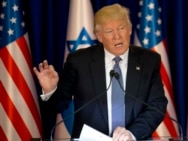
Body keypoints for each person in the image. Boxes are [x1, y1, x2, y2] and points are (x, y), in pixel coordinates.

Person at [33, 3, 168, 141]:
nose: (117, 36)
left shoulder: (149, 61)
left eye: (121, 28)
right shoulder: (79, 61)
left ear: (130, 30)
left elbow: (157, 106)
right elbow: (60, 105)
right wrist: (50, 90)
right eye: (109, 31)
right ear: (99, 36)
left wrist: (131, 134)